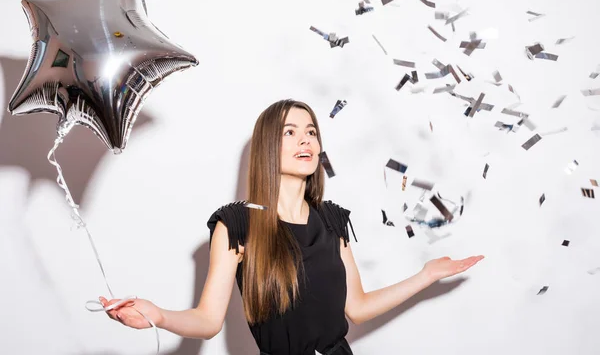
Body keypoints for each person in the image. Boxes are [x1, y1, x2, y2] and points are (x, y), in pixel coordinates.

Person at [100, 99, 484, 355]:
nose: (306, 139)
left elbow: (359, 308)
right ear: (269, 145)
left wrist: (426, 274)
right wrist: (158, 315)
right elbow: (208, 320)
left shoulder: (332, 219)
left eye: (311, 131)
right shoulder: (236, 224)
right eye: (290, 132)